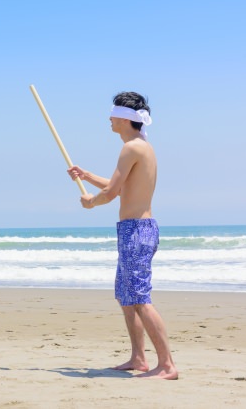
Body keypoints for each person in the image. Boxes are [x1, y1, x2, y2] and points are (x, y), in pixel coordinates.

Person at [67, 92, 178, 379]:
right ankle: (139, 358)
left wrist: (92, 202)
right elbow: (121, 186)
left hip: (137, 232)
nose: (109, 119)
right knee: (127, 297)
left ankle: (166, 365)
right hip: (136, 230)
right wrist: (87, 175)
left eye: (113, 115)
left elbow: (112, 193)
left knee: (139, 298)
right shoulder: (142, 146)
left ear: (126, 119)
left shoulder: (131, 149)